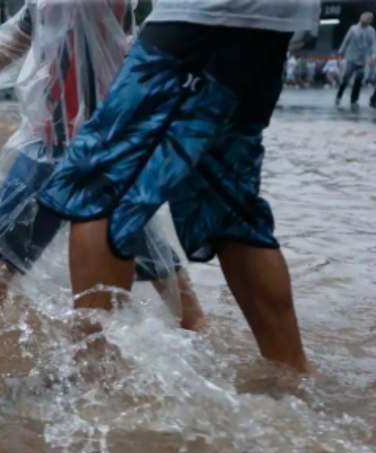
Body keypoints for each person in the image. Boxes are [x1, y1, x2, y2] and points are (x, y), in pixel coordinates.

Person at [36, 0, 321, 373]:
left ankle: (86, 378)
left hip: (207, 17)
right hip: (268, 22)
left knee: (99, 179)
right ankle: (292, 378)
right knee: (228, 205)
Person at [0, 0, 205, 331]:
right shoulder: (42, 4)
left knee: (144, 247)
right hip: (49, 141)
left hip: (104, 144)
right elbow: (16, 37)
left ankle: (194, 331)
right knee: (1, 241)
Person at [336, 12, 376, 109]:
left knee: (359, 79)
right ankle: (339, 96)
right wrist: (340, 53)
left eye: (368, 19)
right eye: (364, 18)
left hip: (363, 59)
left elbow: (373, 45)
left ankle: (354, 100)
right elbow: (346, 41)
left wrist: (372, 56)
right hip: (351, 58)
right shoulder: (353, 29)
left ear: (370, 21)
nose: (365, 20)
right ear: (360, 18)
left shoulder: (371, 31)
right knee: (345, 78)